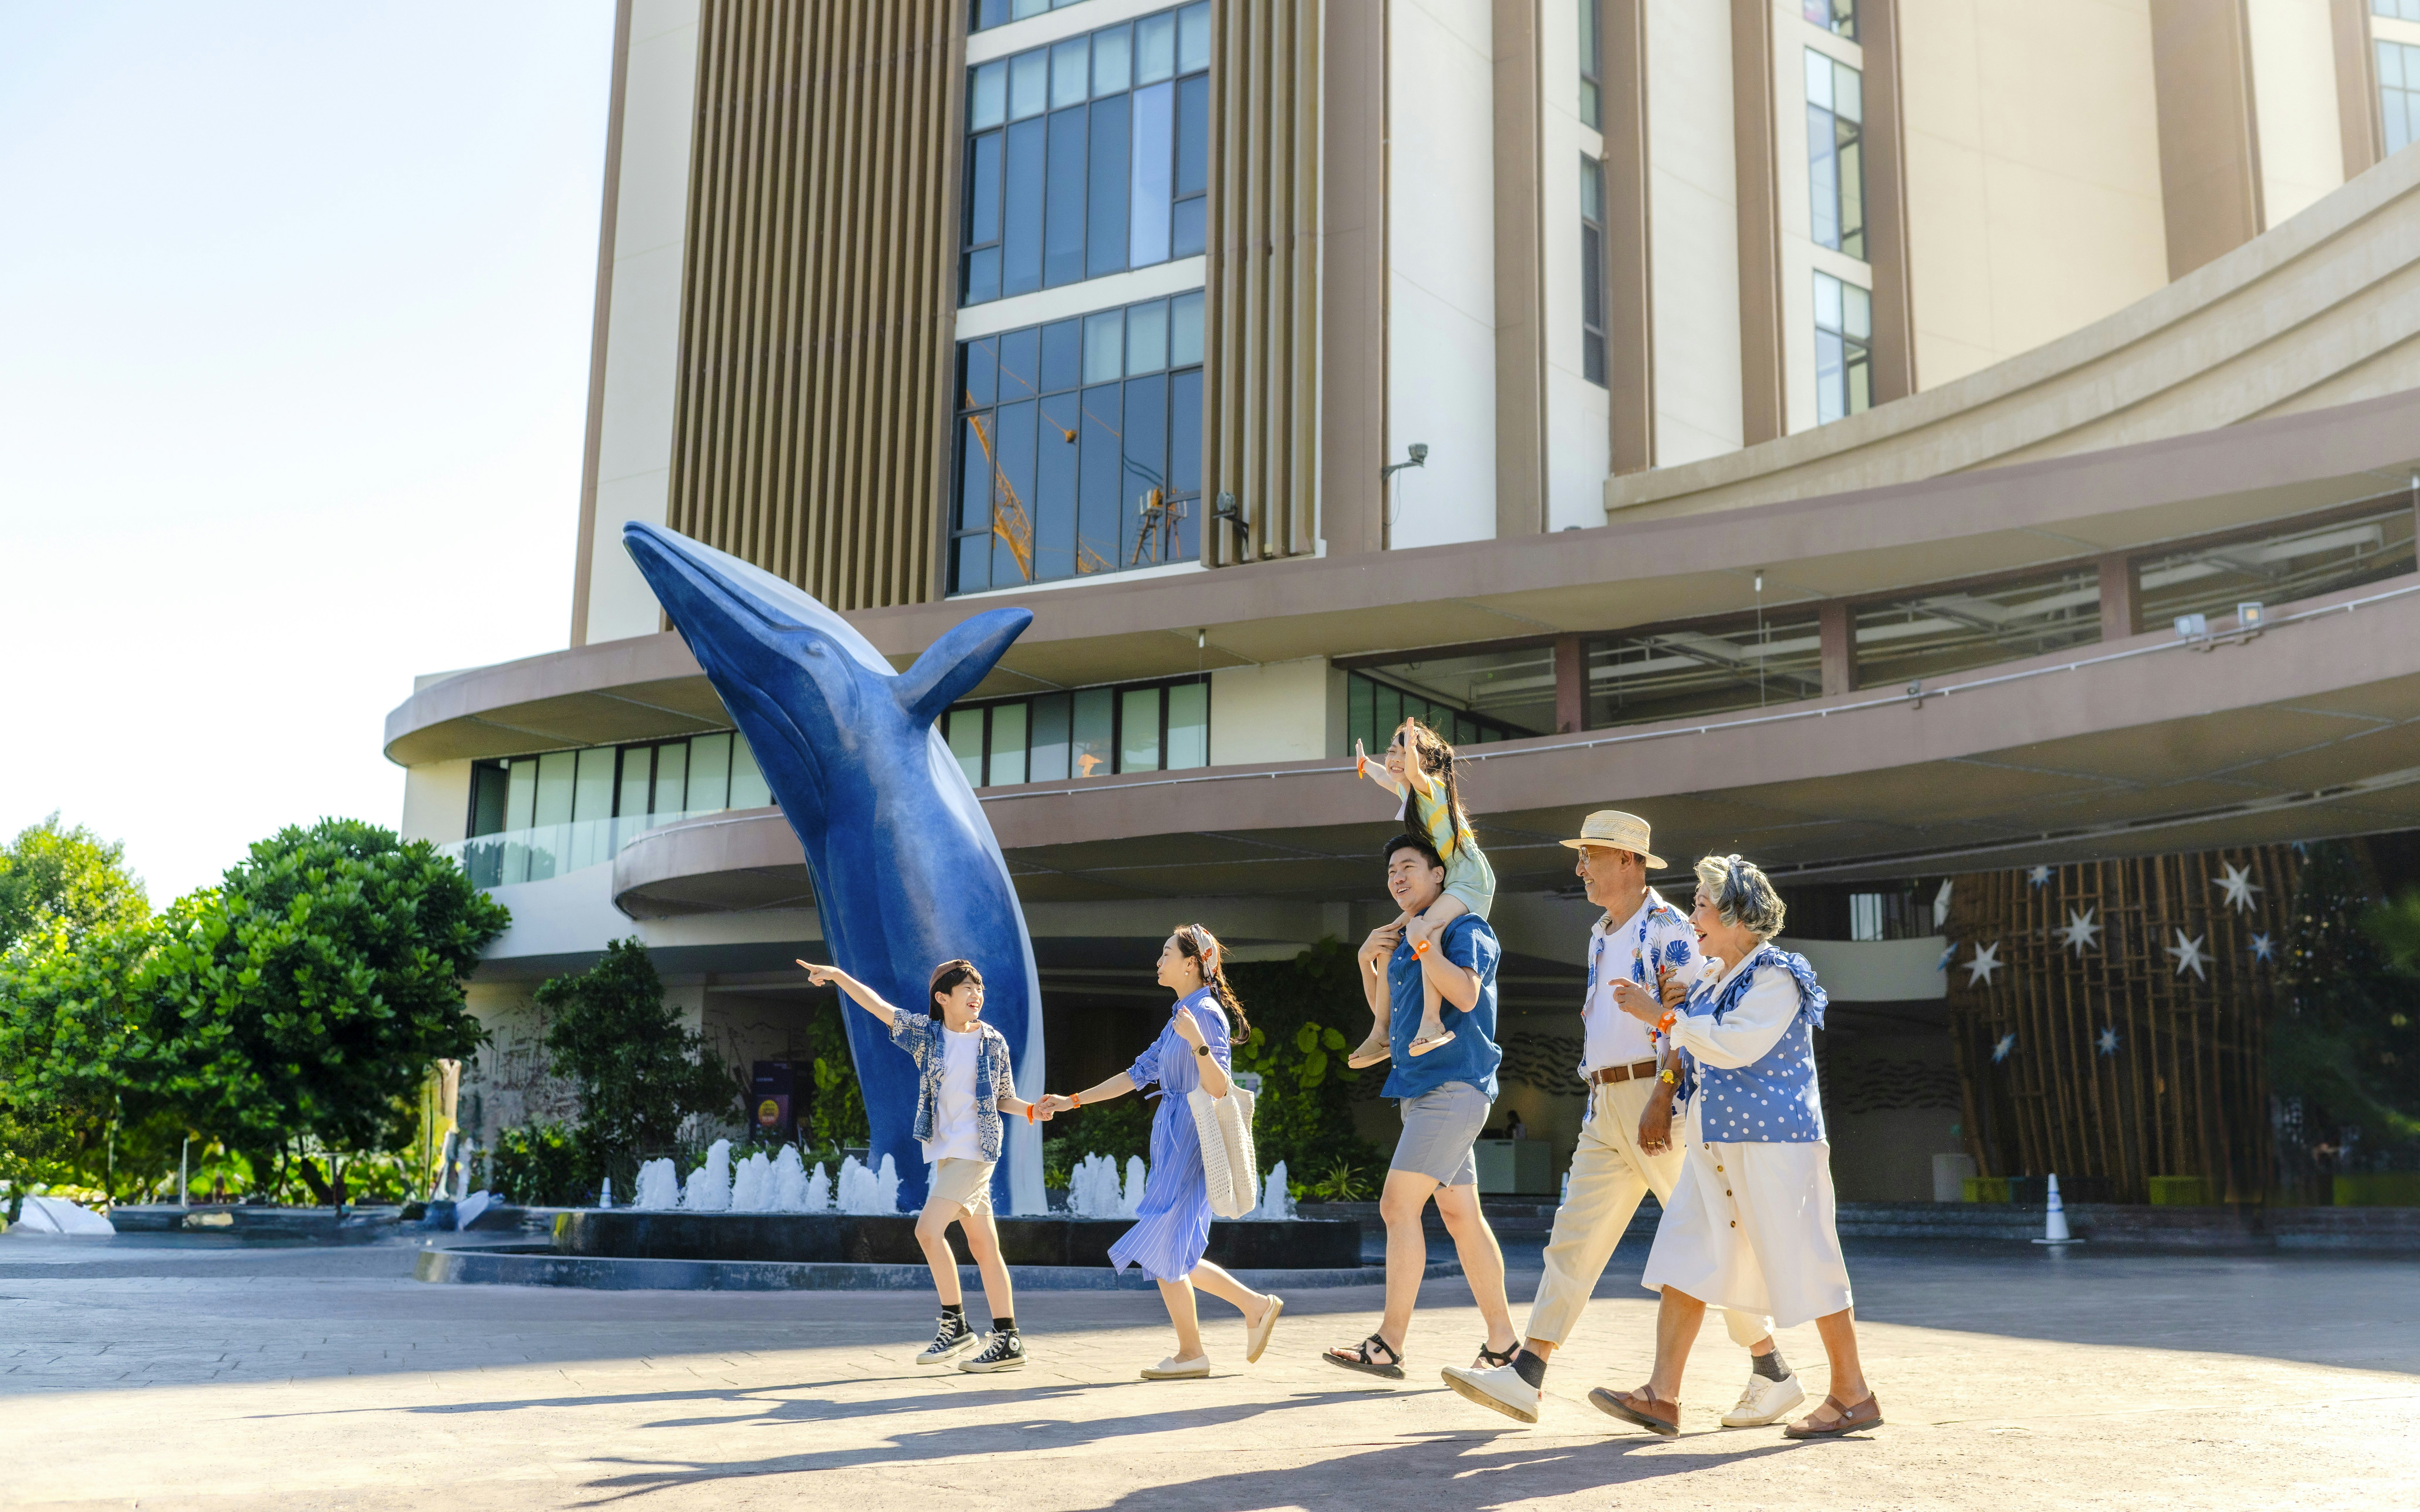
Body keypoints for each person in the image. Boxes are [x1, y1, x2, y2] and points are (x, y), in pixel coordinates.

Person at [1442, 812, 1798, 1427]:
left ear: (1629, 862)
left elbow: (1692, 1021)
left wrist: (1663, 1093)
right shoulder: (1601, 932)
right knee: (1573, 1238)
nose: (1579, 868)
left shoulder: (1669, 929)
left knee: (1710, 1241)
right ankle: (1528, 1372)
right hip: (1605, 1106)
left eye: (1591, 856)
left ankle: (1771, 1370)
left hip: (1659, 1105)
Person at [1590, 854, 1881, 1440]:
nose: (1692, 913)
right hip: (1716, 1143)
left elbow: (1733, 1047)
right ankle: (1661, 1396)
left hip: (1776, 1146)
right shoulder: (1712, 978)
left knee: (1806, 1258)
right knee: (1685, 1255)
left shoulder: (1776, 977)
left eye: (1701, 904)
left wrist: (1661, 1016)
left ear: (1737, 916)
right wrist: (1666, 1079)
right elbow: (1692, 1050)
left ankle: (1852, 1394)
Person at [1038, 926, 1285, 1379]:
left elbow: (1219, 1088)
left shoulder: (1204, 1015)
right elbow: (1136, 1075)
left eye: (1166, 953)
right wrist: (1071, 1100)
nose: (1159, 961)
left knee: (1162, 1243)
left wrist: (1197, 1041)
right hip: (1172, 1134)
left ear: (1191, 963)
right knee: (1174, 1250)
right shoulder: (1181, 1013)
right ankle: (1250, 1310)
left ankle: (1197, 1350)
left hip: (1192, 1135)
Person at [1324, 832, 1520, 1379]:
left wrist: (1425, 945)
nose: (1397, 878)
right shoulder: (1408, 937)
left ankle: (1389, 1343)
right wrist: (1370, 963)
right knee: (1460, 1216)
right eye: (1391, 872)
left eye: (1408, 867)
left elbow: (1463, 995)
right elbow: (1390, 1020)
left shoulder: (1464, 928)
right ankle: (1504, 1344)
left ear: (1441, 877)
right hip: (1419, 1089)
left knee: (1396, 1206)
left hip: (1453, 1087)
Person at [795, 955, 1046, 1373]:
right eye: (968, 989)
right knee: (984, 1246)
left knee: (927, 1230)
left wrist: (1033, 1111)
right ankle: (1008, 1337)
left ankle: (957, 1323)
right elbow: (878, 1007)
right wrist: (838, 976)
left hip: (978, 1151)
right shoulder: (926, 1037)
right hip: (948, 1155)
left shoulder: (993, 1042)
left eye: (980, 989)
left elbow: (1002, 1098)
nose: (977, 996)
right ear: (943, 997)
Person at [1346, 718, 1497, 1063]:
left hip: (1470, 878)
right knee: (1393, 933)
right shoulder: (1409, 791)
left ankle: (1431, 1022)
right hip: (1454, 879)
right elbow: (1390, 779)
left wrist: (1410, 755)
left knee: (1425, 929)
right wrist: (1367, 766)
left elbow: (1411, 773)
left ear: (1424, 762)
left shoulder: (1432, 787)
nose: (1394, 758)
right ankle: (1380, 1031)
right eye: (1391, 751)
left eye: (1404, 752)